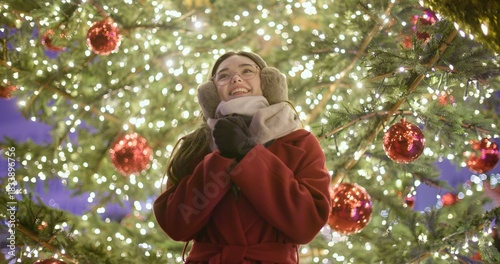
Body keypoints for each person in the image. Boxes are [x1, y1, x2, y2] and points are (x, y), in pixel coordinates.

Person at [154, 51, 331, 263]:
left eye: (247, 71)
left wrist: (248, 154)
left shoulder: (301, 143)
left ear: (266, 82)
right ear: (212, 92)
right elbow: (176, 224)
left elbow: (306, 224)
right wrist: (220, 160)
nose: (236, 78)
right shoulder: (195, 146)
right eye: (223, 76)